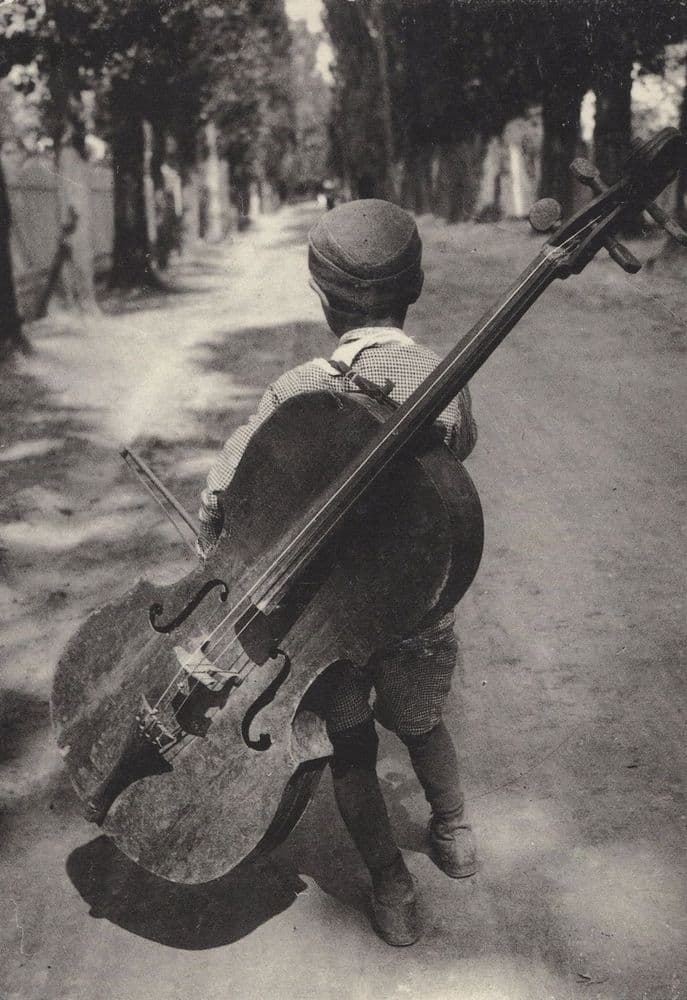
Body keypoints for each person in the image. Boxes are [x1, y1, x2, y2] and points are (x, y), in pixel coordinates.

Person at [197, 199, 478, 946]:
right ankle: (452, 830)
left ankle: (390, 886)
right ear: (412, 289)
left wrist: (213, 526)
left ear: (321, 297)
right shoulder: (445, 380)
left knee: (351, 746)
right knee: (421, 723)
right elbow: (454, 467)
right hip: (416, 603)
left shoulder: (296, 389)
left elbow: (230, 486)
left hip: (327, 619)